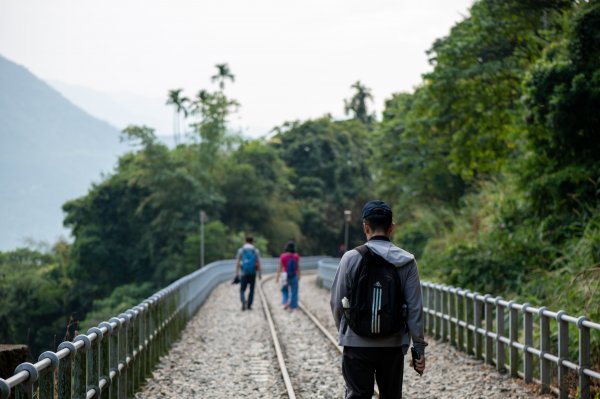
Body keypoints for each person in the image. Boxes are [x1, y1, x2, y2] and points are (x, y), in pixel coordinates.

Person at [330, 200, 427, 398]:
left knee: (357, 395)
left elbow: (336, 301)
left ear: (366, 227)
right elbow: (415, 308)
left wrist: (347, 329)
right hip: (392, 345)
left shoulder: (351, 258)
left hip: (356, 343)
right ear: (391, 228)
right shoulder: (407, 261)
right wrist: (418, 347)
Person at [235, 236, 262, 311]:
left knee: (242, 289)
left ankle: (243, 300)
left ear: (245, 241)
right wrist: (259, 274)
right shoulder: (255, 251)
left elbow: (237, 262)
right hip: (253, 273)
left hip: (244, 273)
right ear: (252, 242)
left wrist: (237, 273)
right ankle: (249, 305)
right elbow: (258, 263)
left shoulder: (241, 250)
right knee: (251, 289)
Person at [276, 241, 301, 312]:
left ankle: (285, 302)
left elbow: (280, 267)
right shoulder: (296, 256)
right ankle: (291, 307)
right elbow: (297, 267)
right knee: (294, 291)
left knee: (284, 290)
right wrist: (299, 275)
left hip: (285, 276)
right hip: (294, 276)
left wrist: (277, 277)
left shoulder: (283, 256)